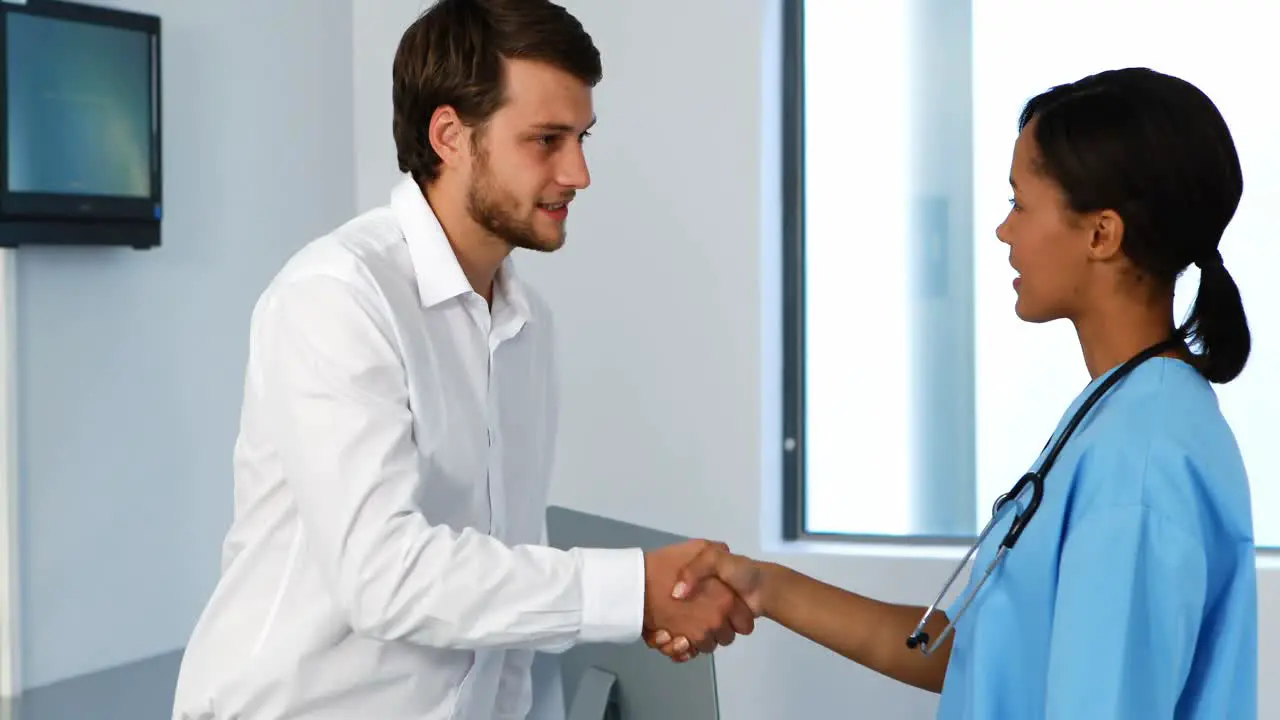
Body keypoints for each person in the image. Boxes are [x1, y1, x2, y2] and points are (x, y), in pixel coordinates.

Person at [171, 1, 752, 718]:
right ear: (449, 136)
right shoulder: (337, 298)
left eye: (582, 138)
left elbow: (503, 575)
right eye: (547, 139)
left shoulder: (527, 323)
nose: (579, 172)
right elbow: (384, 577)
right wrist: (633, 592)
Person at [650, 67, 1258, 718]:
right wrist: (764, 586)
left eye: (1019, 203)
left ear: (1100, 234)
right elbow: (980, 655)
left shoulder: (1140, 459)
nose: (1003, 231)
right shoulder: (1121, 413)